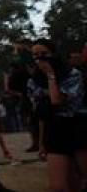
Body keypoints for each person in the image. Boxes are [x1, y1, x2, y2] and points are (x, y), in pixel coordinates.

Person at [32, 39, 86, 192]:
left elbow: (56, 100)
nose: (40, 59)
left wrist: (50, 74)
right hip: (55, 129)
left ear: (53, 54)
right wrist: (41, 143)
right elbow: (42, 114)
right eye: (35, 55)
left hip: (78, 127)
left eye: (44, 54)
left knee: (80, 179)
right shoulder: (35, 80)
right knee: (57, 186)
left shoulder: (72, 74)